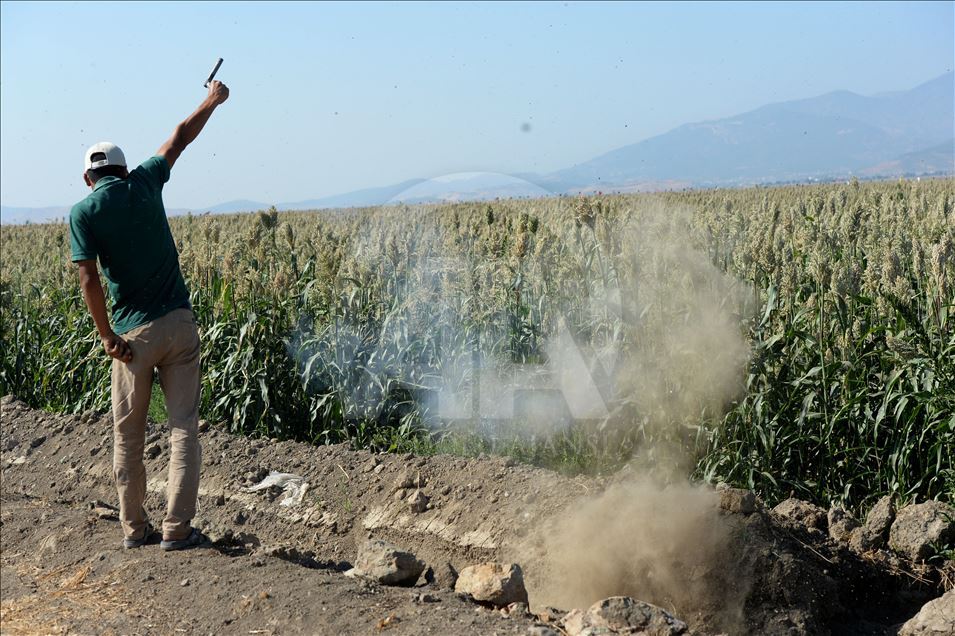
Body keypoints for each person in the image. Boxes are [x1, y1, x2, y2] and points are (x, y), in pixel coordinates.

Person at [69, 80, 230, 551]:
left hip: (130, 337)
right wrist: (212, 99)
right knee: (183, 428)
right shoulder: (145, 180)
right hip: (178, 325)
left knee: (129, 434)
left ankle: (134, 530)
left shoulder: (83, 212)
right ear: (123, 167)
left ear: (88, 179)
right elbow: (179, 136)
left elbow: (88, 280)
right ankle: (177, 531)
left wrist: (106, 336)